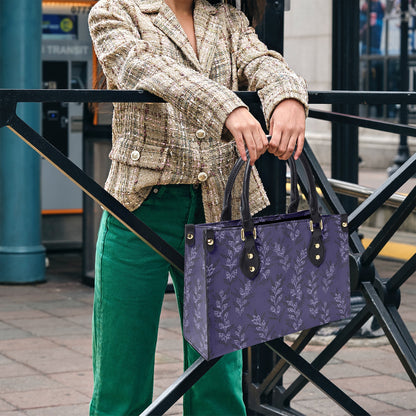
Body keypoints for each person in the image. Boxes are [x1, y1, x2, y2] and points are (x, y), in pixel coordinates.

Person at [88, 0, 308, 414]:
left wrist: (288, 97)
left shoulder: (225, 17)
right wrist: (229, 107)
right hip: (140, 209)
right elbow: (144, 67)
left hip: (219, 210)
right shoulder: (114, 10)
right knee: (121, 376)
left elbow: (262, 61)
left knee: (219, 382)